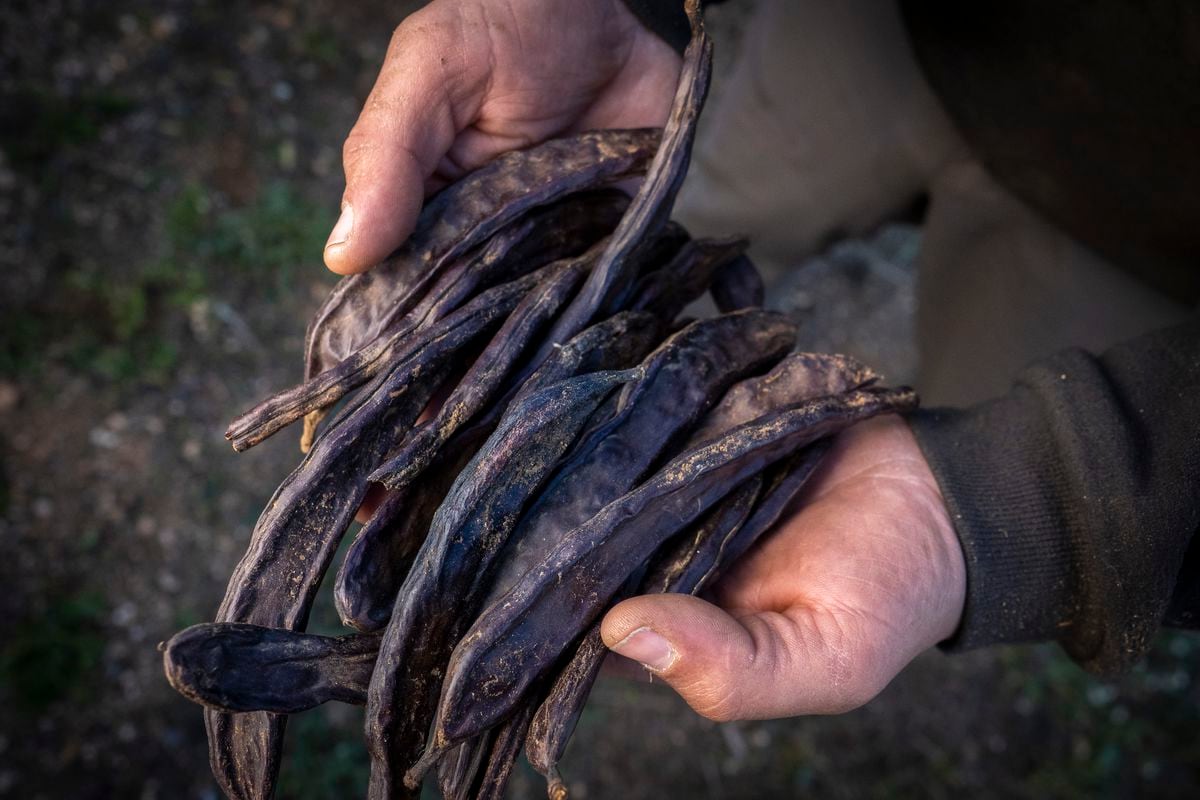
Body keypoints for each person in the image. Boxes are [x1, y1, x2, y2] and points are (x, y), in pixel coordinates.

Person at [325, 0, 1199, 722]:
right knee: (692, 214)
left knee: (975, 405)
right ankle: (683, 262)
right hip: (887, 32)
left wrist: (1039, 491)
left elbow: (1031, 476)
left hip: (1152, 266)